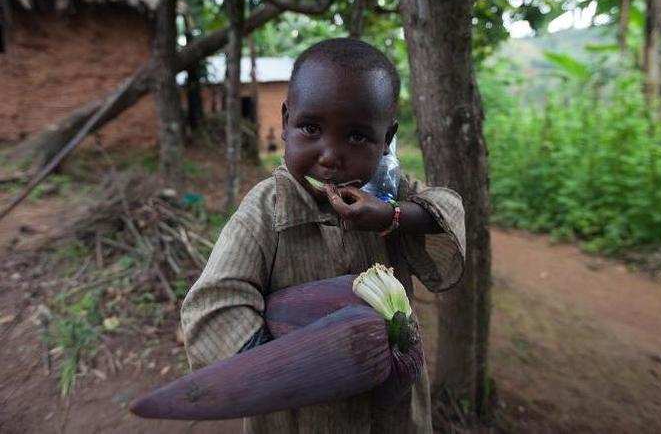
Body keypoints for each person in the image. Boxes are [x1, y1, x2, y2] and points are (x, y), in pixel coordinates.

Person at [181, 38, 466, 433]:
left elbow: (447, 208)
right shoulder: (267, 209)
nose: (330, 155)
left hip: (391, 413)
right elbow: (213, 306)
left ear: (386, 138)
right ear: (285, 122)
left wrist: (393, 215)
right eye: (311, 128)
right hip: (297, 417)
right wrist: (294, 365)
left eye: (356, 137)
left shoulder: (387, 191)